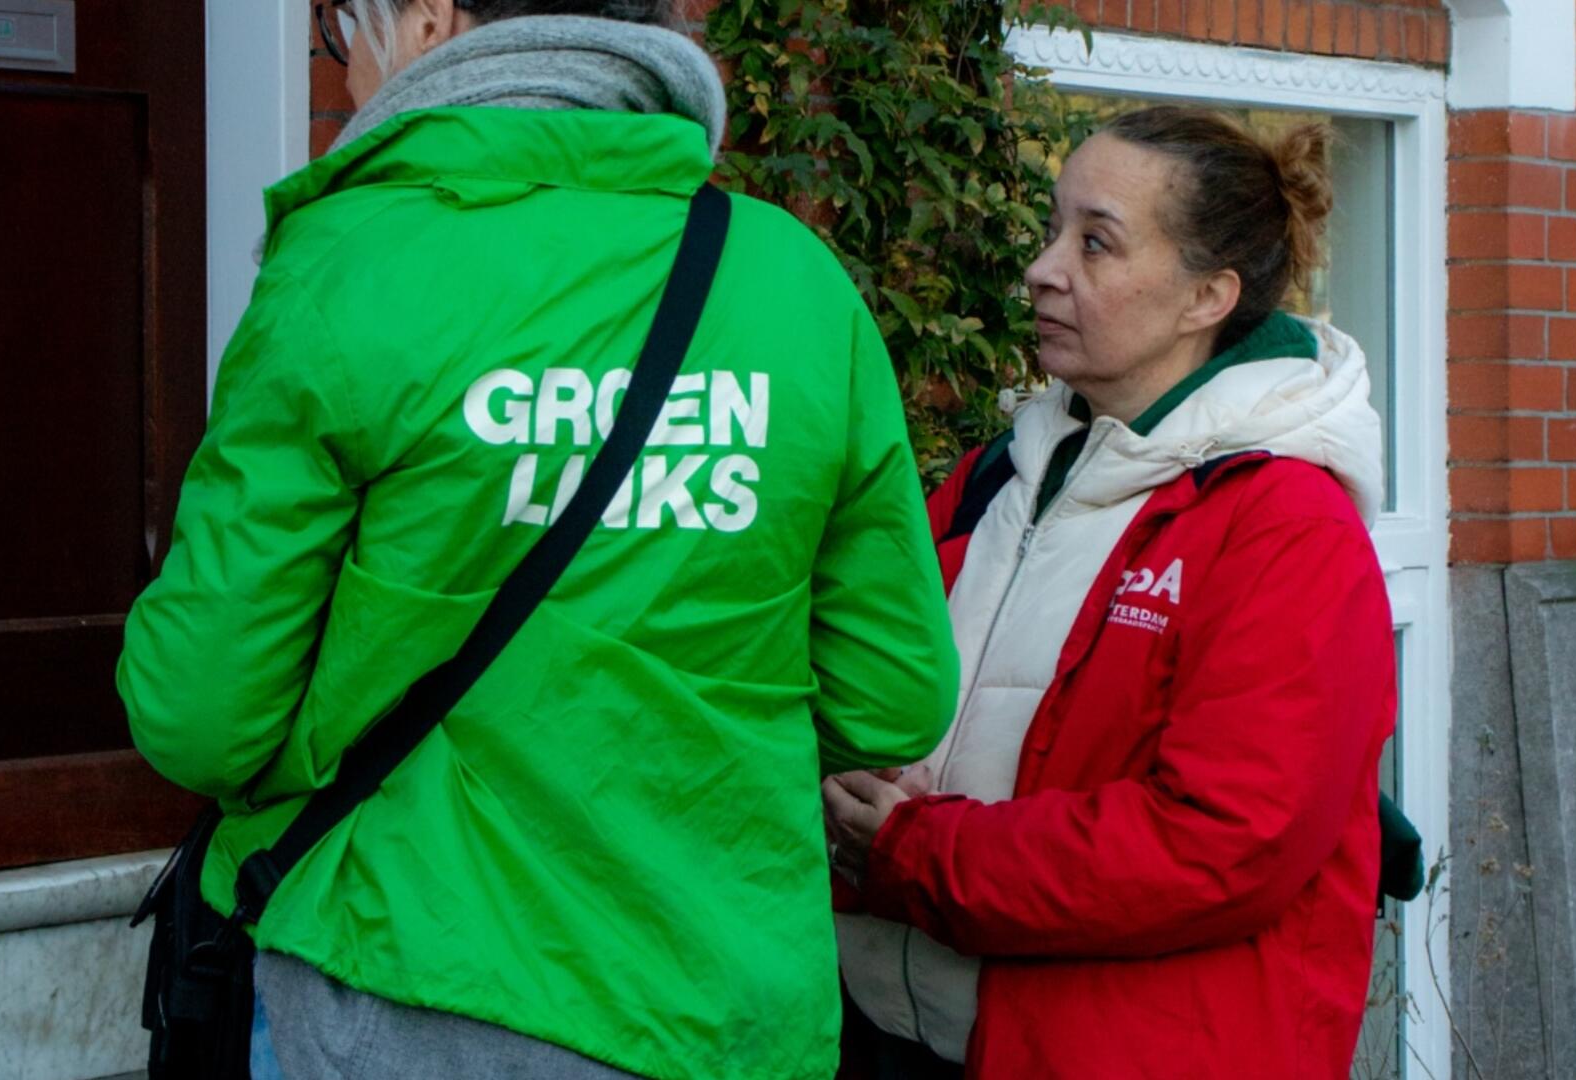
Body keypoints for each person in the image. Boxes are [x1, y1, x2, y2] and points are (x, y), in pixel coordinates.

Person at [117, 2, 958, 1077]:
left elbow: (198, 716)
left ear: (426, 19)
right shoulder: (792, 278)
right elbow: (891, 695)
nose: (349, 57)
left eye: (340, 33)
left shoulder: (355, 261)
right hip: (728, 1002)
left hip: (406, 974)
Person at [825, 105, 1396, 1079]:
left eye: (1096, 243)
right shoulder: (1000, 475)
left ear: (1205, 296)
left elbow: (1225, 842)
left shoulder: (1285, 525)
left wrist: (916, 853)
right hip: (897, 1036)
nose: (1045, 268)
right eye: (1054, 231)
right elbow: (864, 679)